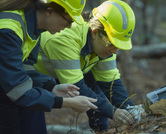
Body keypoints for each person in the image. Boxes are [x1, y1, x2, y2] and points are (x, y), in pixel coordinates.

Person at [34, 0, 146, 132]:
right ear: (94, 32)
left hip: (71, 73)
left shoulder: (104, 43)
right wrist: (114, 112)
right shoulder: (64, 38)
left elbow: (111, 84)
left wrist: (130, 110)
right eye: (112, 44)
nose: (115, 51)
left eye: (118, 46)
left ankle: (100, 130)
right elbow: (77, 87)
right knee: (31, 125)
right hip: (34, 78)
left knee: (96, 91)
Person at [0, 0, 98, 134]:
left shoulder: (34, 27)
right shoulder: (9, 30)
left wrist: (51, 87)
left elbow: (25, 67)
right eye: (67, 21)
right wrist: (65, 102)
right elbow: (18, 91)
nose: (69, 27)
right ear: (50, 11)